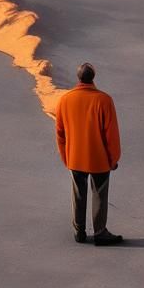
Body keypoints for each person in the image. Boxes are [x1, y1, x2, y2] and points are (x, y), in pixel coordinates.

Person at [54, 62, 124, 245]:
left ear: (78, 77)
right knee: (99, 194)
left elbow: (60, 134)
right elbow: (112, 135)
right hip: (99, 159)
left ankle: (79, 231)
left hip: (75, 157)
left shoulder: (65, 100)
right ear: (93, 76)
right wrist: (113, 159)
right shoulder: (104, 100)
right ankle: (100, 232)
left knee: (78, 194)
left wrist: (66, 157)